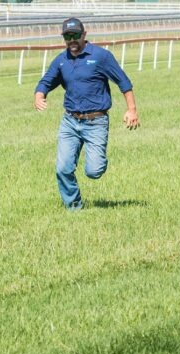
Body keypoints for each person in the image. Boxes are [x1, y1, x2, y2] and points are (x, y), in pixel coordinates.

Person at [34, 17, 140, 210]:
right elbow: (46, 81)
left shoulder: (101, 56)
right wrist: (39, 95)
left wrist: (131, 110)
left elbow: (124, 82)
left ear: (84, 35)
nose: (72, 40)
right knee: (63, 168)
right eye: (67, 36)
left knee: (94, 171)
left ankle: (98, 158)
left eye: (75, 35)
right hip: (70, 122)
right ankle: (74, 207)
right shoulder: (61, 60)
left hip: (96, 121)